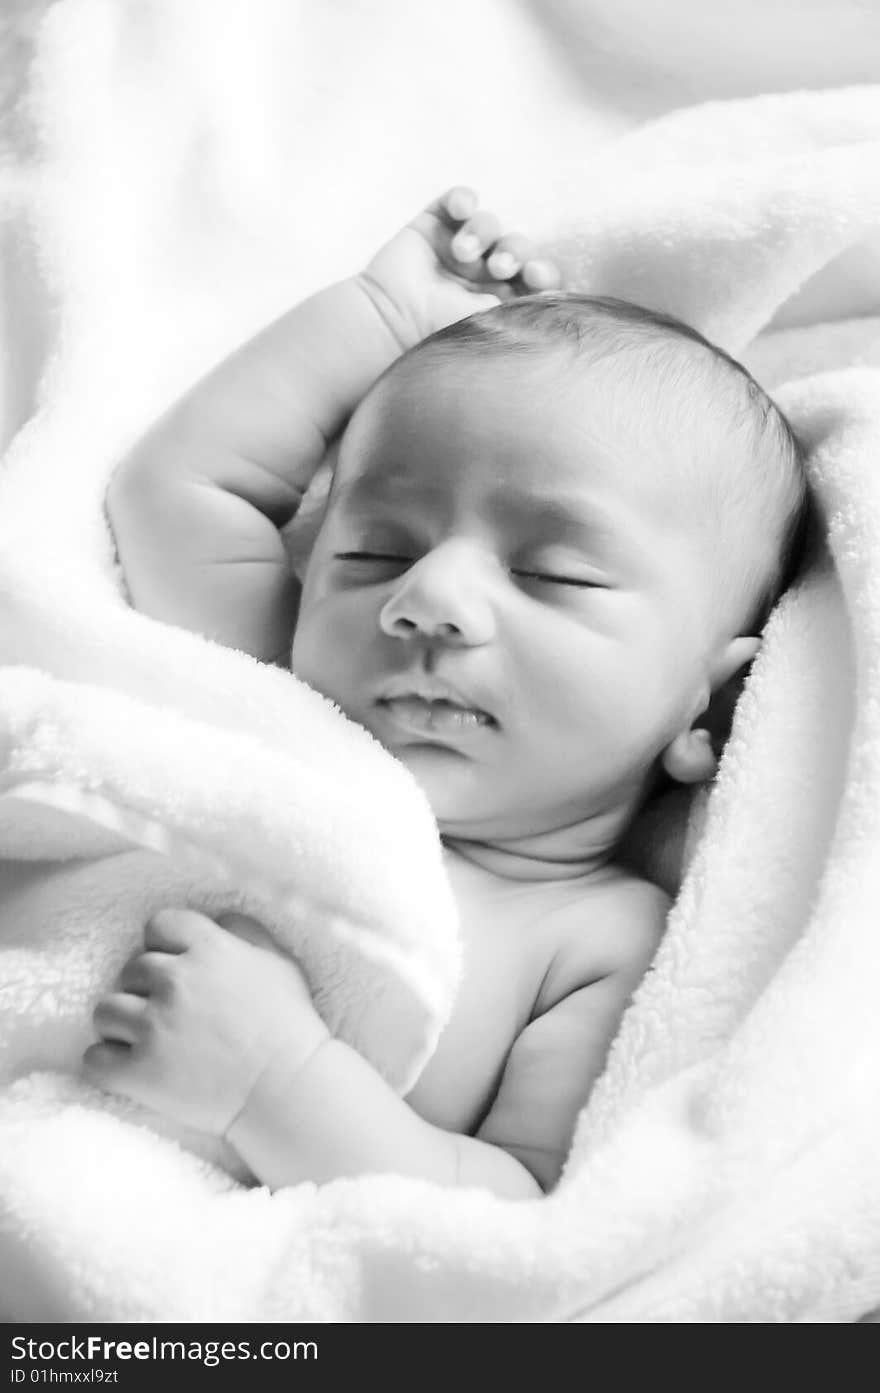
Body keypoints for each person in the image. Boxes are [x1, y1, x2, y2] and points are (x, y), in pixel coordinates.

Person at [85, 189, 807, 1199]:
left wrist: (274, 1082)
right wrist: (382, 318)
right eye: (376, 551)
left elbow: (512, 1211)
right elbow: (177, 491)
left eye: (552, 573)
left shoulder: (593, 941)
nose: (424, 598)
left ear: (710, 712)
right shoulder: (279, 688)